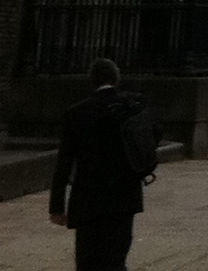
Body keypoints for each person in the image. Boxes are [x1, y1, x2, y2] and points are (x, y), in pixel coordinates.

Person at [49, 59, 151, 271]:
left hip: (88, 198)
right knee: (115, 261)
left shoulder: (77, 112)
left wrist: (57, 206)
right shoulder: (131, 108)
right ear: (117, 79)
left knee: (87, 262)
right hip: (124, 195)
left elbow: (64, 161)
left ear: (92, 80)